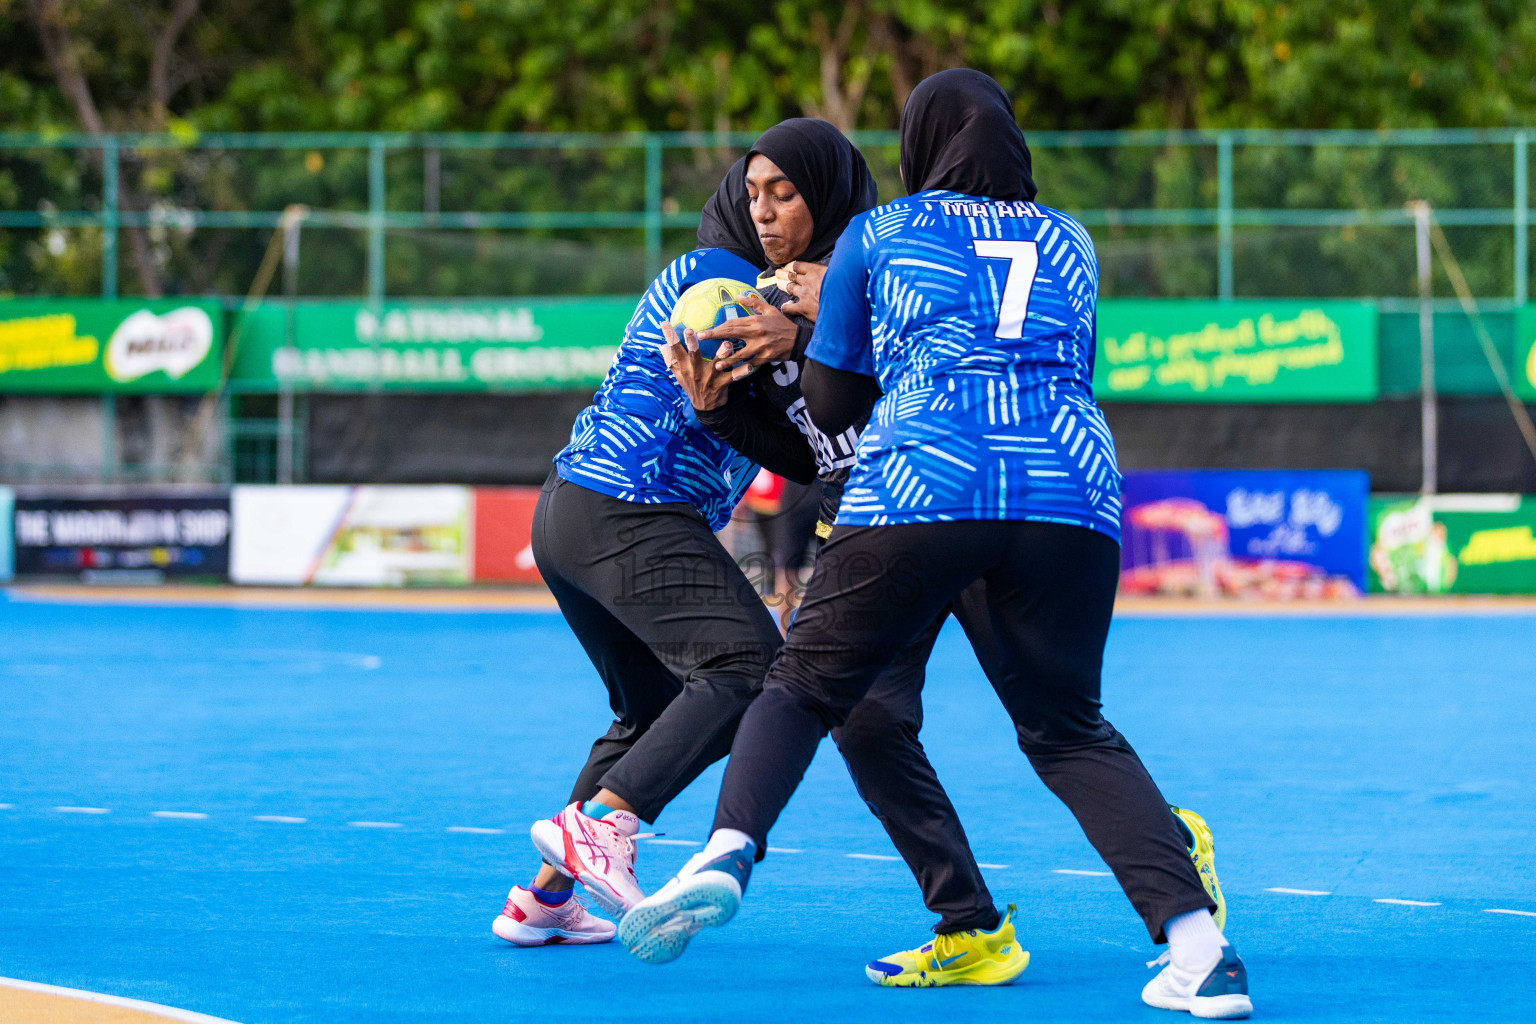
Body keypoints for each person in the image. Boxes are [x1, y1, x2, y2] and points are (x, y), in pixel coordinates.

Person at [619, 70, 1252, 1021]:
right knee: (1067, 729)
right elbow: (1068, 362)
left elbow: (833, 410)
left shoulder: (884, 232)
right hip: (1067, 490)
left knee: (801, 686)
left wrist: (802, 333)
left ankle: (726, 853)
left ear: (918, 147)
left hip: (924, 482)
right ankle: (1201, 951)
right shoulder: (1071, 238)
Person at [490, 119, 1009, 959]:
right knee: (755, 670)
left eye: (785, 193)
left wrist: (803, 330)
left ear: (823, 196)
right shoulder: (727, 283)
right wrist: (803, 317)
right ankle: (610, 827)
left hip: (580, 510)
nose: (764, 211)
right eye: (754, 193)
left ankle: (545, 898)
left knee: (654, 711)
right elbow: (752, 352)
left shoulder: (805, 281)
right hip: (634, 506)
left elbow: (807, 449)